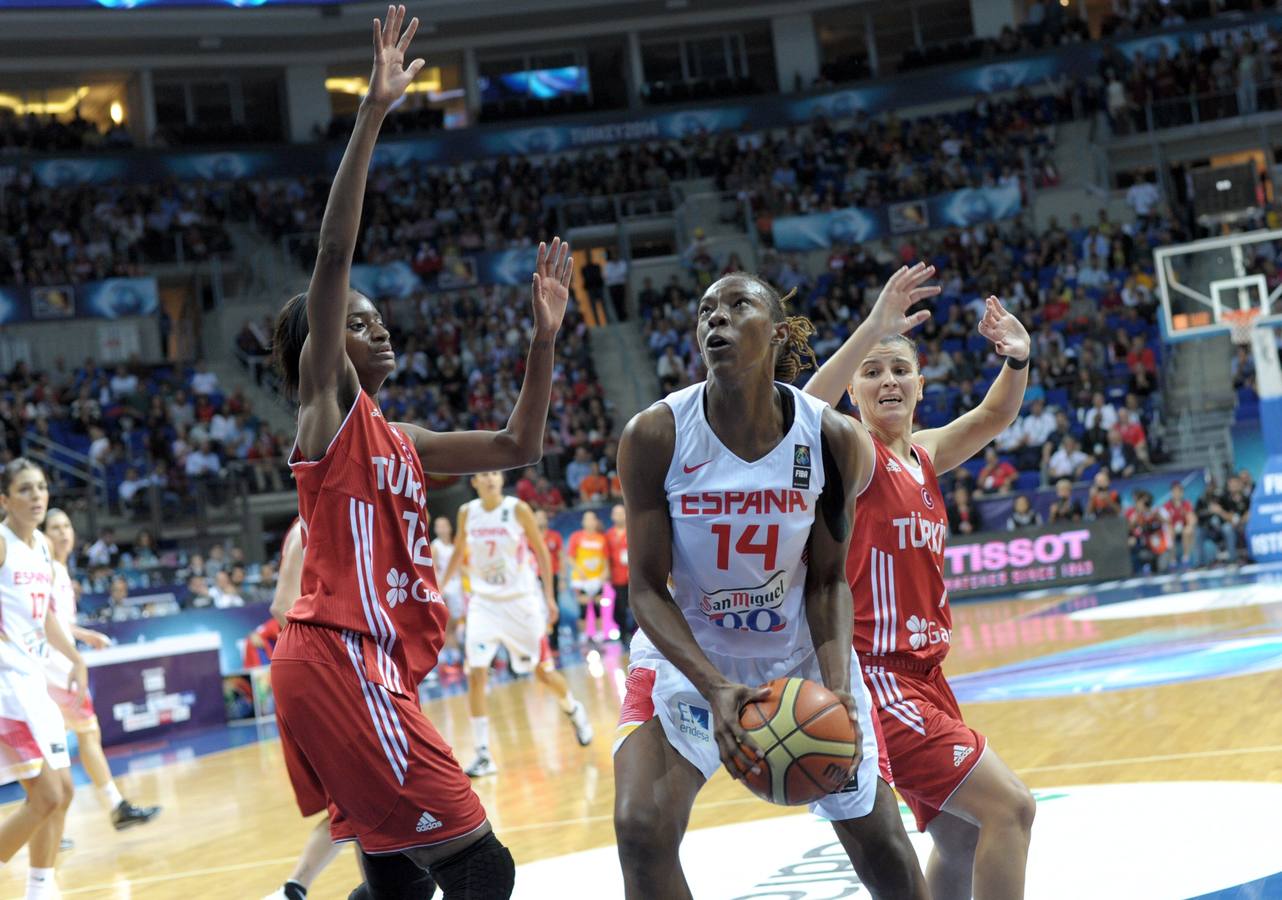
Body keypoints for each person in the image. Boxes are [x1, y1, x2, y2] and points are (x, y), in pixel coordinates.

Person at [268, 9, 573, 897]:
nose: (378, 326)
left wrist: (544, 341)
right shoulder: (326, 415)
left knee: (397, 884)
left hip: (363, 667)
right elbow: (332, 254)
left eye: (377, 316)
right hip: (341, 657)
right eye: (357, 323)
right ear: (321, 353)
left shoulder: (406, 443)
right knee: (482, 866)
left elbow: (522, 442)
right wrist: (372, 113)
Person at [613, 272, 928, 900]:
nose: (716, 320)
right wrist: (716, 686)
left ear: (778, 331)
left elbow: (830, 580)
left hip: (801, 652)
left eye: (737, 306)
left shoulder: (833, 438)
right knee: (640, 827)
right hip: (691, 651)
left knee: (882, 846)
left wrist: (837, 688)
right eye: (705, 310)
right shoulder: (656, 434)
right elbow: (647, 590)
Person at [805, 264, 1037, 900]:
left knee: (962, 838)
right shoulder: (853, 452)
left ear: (919, 385)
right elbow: (802, 413)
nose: (888, 381)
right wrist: (873, 329)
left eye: (899, 369)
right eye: (872, 371)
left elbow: (992, 417)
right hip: (878, 676)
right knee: (1011, 809)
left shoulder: (925, 453)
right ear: (853, 392)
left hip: (927, 676)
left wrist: (1017, 359)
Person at [438, 471, 593, 779]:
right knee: (477, 673)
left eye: (495, 473)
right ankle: (483, 753)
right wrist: (438, 589)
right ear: (474, 483)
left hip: (521, 602)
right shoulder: (467, 512)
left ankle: (573, 708)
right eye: (484, 475)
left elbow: (542, 554)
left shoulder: (517, 509)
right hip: (483, 602)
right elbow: (457, 552)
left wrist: (549, 596)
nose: (491, 478)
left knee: (543, 673)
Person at [0, 459, 89, 900]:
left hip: (31, 679)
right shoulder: (1, 543)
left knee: (65, 792)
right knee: (48, 795)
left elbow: (48, 615)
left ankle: (40, 890)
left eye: (41, 487)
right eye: (24, 489)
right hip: (5, 685)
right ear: (4, 500)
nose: (36, 496)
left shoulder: (38, 546)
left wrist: (76, 658)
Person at [40, 509, 161, 833]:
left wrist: (85, 635)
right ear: (43, 534)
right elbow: (41, 620)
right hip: (53, 667)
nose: (63, 533)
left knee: (62, 741)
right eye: (55, 528)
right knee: (82, 735)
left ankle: (57, 822)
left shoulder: (61, 570)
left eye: (67, 526)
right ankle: (110, 808)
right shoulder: (47, 569)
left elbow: (58, 622)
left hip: (59, 663)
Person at [265, 519, 342, 900]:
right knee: (359, 798)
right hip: (317, 681)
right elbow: (282, 606)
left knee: (357, 803)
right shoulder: (308, 526)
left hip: (321, 679)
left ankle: (294, 889)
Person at [566, 510, 609, 643]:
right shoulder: (576, 537)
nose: (589, 521)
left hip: (597, 579)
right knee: (583, 607)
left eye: (592, 519)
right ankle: (584, 636)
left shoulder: (601, 538)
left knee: (598, 606)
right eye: (587, 519)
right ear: (583, 522)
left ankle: (600, 634)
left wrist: (604, 575)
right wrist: (580, 571)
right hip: (581, 580)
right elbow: (570, 558)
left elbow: (606, 560)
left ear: (596, 522)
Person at [429, 516, 465, 668]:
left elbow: (461, 568)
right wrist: (438, 590)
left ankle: (455, 656)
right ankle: (445, 660)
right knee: (446, 625)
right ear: (436, 529)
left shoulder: (454, 545)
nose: (442, 529)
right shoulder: (435, 546)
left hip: (457, 586)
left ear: (450, 527)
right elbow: (432, 569)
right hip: (444, 587)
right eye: (439, 526)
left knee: (456, 624)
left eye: (444, 525)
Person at [604, 503, 632, 644]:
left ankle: (639, 634)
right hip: (618, 577)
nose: (619, 516)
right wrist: (607, 574)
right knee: (619, 608)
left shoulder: (633, 530)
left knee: (637, 606)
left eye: (622, 513)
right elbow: (606, 556)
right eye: (617, 513)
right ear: (612, 516)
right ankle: (623, 634)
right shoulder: (609, 535)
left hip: (634, 577)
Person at [1160, 481, 1197, 568]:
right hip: (1172, 529)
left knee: (1188, 530)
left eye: (1179, 491)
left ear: (1182, 492)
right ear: (1171, 493)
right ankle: (1172, 560)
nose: (1177, 493)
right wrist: (1168, 523)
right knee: (1169, 531)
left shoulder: (1186, 504)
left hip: (1184, 528)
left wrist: (1190, 523)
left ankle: (1186, 558)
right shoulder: (1167, 505)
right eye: (1174, 491)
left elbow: (1192, 518)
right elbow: (1164, 520)